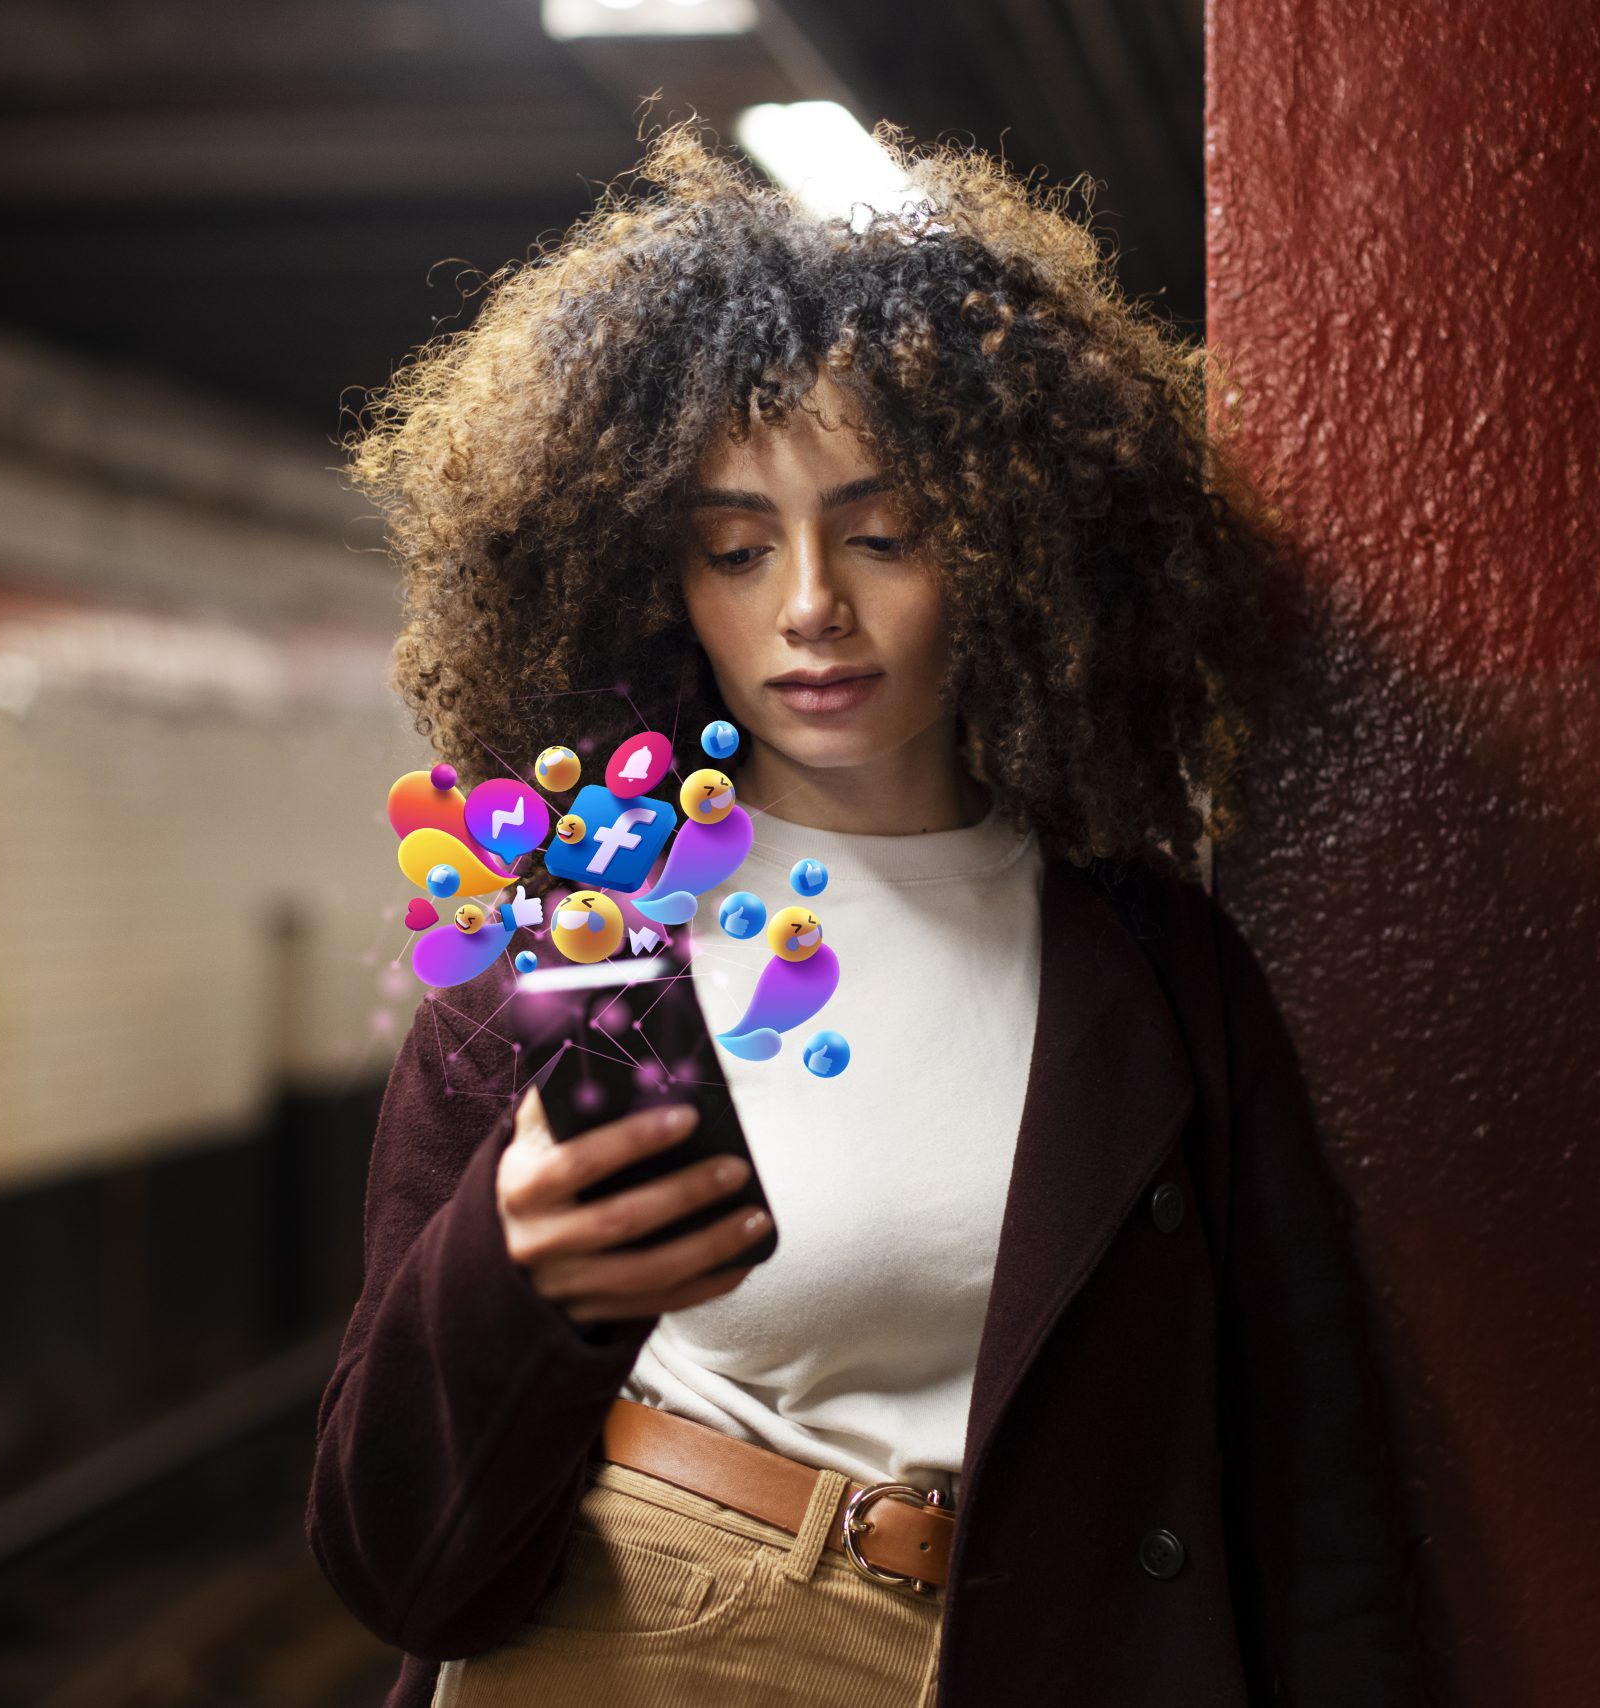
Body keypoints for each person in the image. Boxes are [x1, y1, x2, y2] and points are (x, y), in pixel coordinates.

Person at [307, 119, 1421, 1707]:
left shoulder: (1161, 967)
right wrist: (506, 1272)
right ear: (657, 583)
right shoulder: (579, 947)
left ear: (1020, 551)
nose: (811, 605)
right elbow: (393, 1555)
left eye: (884, 534)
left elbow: (1314, 1480)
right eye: (737, 550)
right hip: (646, 1646)